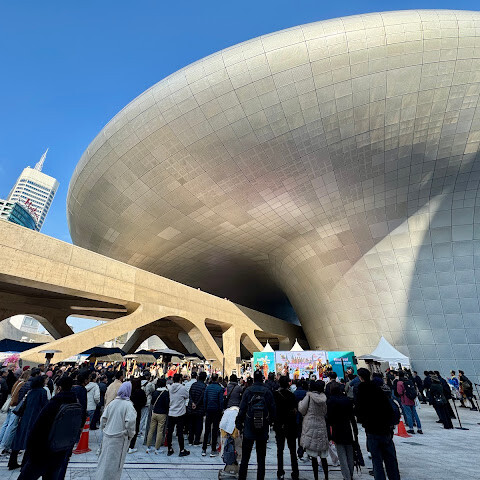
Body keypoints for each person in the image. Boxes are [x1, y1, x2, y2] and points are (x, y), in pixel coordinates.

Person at [16, 376, 83, 480]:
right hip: (61, 450)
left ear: (59, 388)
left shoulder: (54, 403)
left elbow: (38, 428)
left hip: (43, 451)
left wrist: (31, 451)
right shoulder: (76, 403)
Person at [355, 368, 400, 480]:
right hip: (386, 429)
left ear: (360, 377)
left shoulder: (361, 391)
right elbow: (389, 408)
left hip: (372, 429)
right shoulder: (379, 390)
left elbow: (359, 411)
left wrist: (364, 421)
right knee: (391, 459)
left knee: (377, 460)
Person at [236, 370, 275, 480]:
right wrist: (269, 422)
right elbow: (273, 410)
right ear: (262, 378)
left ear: (253, 379)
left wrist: (239, 424)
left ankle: (242, 477)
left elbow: (242, 409)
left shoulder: (248, 391)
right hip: (262, 428)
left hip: (249, 427)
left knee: (245, 457)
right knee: (261, 459)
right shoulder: (267, 391)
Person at [96, 382, 137, 480]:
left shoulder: (112, 403)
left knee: (104, 462)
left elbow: (103, 420)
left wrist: (105, 430)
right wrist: (130, 435)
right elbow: (130, 423)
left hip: (107, 437)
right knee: (114, 465)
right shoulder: (128, 405)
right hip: (119, 439)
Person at [8, 375, 49, 470]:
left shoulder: (30, 391)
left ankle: (12, 462)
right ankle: (25, 464)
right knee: (31, 441)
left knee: (19, 439)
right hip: (35, 418)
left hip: (25, 418)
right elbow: (45, 406)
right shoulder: (42, 391)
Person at [327, 383, 358, 480]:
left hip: (337, 429)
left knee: (341, 454)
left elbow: (329, 418)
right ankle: (350, 473)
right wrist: (355, 430)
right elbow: (352, 416)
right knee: (349, 452)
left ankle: (346, 476)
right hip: (348, 428)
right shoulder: (347, 400)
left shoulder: (330, 401)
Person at [298, 380, 329, 480]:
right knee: (323, 455)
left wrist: (300, 403)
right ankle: (326, 476)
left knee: (313, 455)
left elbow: (302, 409)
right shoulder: (323, 398)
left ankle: (316, 477)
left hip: (310, 425)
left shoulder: (309, 396)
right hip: (321, 424)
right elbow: (325, 411)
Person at [273, 376, 299, 480]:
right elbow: (295, 410)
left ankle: (280, 472)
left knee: (280, 450)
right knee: (292, 450)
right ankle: (295, 472)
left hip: (279, 425)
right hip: (290, 425)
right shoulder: (291, 395)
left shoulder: (275, 395)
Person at [0, 369, 30, 455]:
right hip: (16, 406)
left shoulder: (18, 382)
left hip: (11, 404)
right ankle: (4, 446)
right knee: (11, 426)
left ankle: (1, 442)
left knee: (6, 424)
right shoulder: (23, 384)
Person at [166, 373, 190, 456]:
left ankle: (169, 449)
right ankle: (182, 450)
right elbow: (187, 396)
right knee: (180, 432)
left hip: (171, 411)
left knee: (170, 431)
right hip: (180, 412)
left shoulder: (170, 388)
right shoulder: (183, 388)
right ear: (180, 379)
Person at [200, 373, 224, 457]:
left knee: (207, 429)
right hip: (216, 410)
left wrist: (205, 409)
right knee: (215, 430)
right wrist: (221, 410)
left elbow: (205, 399)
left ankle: (204, 448)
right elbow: (221, 401)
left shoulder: (208, 387)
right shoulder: (220, 389)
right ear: (217, 379)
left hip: (209, 410)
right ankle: (213, 449)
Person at [146, 378, 169, 454]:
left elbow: (152, 402)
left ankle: (148, 447)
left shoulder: (155, 392)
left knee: (151, 430)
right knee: (160, 431)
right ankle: (157, 448)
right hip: (162, 414)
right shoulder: (166, 393)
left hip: (154, 412)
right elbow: (167, 404)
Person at [127, 377, 147, 453]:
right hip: (137, 411)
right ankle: (131, 446)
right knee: (135, 428)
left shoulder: (130, 391)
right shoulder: (141, 392)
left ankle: (127, 444)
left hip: (129, 410)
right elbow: (144, 402)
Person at [187, 371, 207, 446]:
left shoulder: (193, 385)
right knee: (199, 425)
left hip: (191, 408)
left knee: (191, 424)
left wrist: (192, 403)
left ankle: (190, 440)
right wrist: (197, 404)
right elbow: (202, 397)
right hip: (199, 408)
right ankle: (196, 440)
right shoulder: (204, 386)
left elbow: (190, 394)